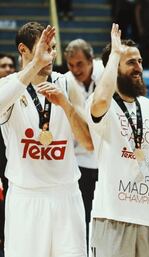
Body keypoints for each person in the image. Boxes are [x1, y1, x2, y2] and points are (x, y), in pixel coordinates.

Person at [86, 24, 149, 257]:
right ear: (114, 66)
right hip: (112, 217)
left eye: (140, 61)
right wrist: (115, 55)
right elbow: (100, 100)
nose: (139, 67)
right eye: (131, 62)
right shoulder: (101, 102)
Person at [0, 22, 93, 257]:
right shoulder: (8, 86)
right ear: (23, 50)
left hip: (66, 196)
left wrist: (66, 105)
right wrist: (35, 65)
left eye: (52, 48)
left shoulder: (66, 83)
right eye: (43, 48)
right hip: (26, 197)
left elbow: (89, 142)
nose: (49, 55)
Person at [64, 38, 104, 246]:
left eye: (79, 63)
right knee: (83, 216)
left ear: (91, 60)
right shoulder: (65, 81)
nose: (75, 69)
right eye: (70, 65)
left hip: (106, 159)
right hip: (79, 160)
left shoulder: (106, 73)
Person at [0, 53, 16, 257]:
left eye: (11, 65)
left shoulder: (21, 93)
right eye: (3, 65)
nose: (8, 68)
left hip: (16, 161)